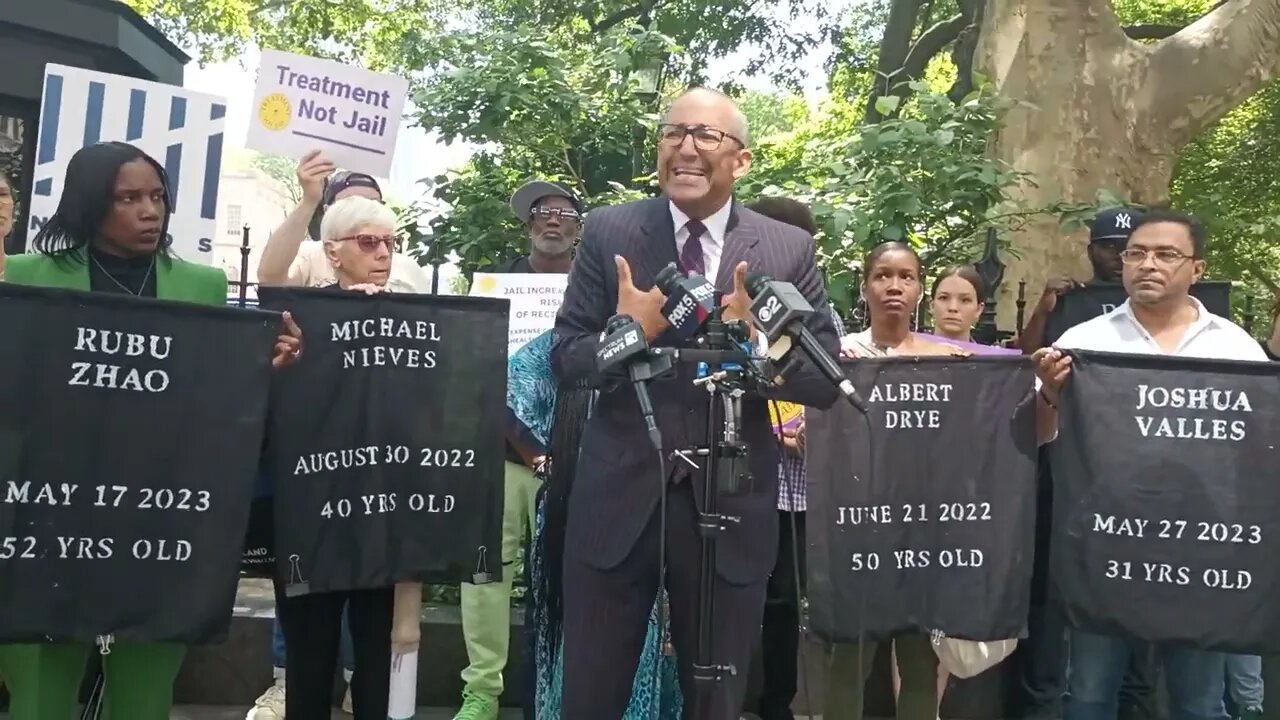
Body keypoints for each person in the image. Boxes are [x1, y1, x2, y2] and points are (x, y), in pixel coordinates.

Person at [551, 87, 841, 720]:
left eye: (705, 136)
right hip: (618, 497)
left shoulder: (786, 247)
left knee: (716, 700)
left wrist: (760, 344)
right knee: (590, 695)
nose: (685, 147)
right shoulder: (610, 231)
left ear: (741, 160)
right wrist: (629, 333)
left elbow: (822, 381)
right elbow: (565, 359)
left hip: (730, 502)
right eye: (673, 132)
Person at [0, 140, 302, 720]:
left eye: (157, 196)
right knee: (39, 693)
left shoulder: (202, 286)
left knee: (144, 693)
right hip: (48, 514)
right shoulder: (25, 278)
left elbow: (212, 399)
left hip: (158, 519)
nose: (150, 210)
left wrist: (259, 369)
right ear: (89, 204)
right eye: (128, 198)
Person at [1032, 208, 1258, 720]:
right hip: (1103, 545)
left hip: (1204, 550)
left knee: (1200, 699)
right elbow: (1040, 440)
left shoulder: (1235, 346)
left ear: (1197, 269)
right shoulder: (1082, 342)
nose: (1147, 264)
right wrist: (1050, 391)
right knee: (1088, 694)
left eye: (1165, 254)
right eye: (1137, 253)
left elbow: (1255, 450)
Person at [453, 179, 581, 720]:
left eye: (564, 213)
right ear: (529, 226)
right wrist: (529, 447)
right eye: (542, 213)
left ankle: (560, 692)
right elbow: (478, 372)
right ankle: (481, 693)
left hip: (575, 457)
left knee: (568, 580)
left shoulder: (594, 288)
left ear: (578, 229)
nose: (553, 220)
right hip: (502, 456)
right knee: (485, 577)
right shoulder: (493, 287)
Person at [824, 242, 969, 720]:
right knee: (850, 656)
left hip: (921, 527)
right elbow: (810, 433)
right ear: (865, 287)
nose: (894, 286)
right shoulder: (838, 358)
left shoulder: (943, 358)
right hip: (856, 523)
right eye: (882, 275)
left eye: (906, 277)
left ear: (920, 289)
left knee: (919, 660)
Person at [507, 329, 683, 719]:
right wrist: (539, 457)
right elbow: (508, 384)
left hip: (651, 510)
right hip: (577, 512)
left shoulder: (674, 341)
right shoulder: (569, 345)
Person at [271, 195, 399, 720]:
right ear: (333, 252)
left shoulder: (410, 317)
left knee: (374, 659)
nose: (383, 253)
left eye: (391, 242)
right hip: (311, 514)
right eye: (369, 241)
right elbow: (269, 278)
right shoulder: (301, 316)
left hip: (382, 514)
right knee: (310, 658)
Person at [1017, 206, 1147, 720]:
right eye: (1111, 246)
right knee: (1057, 595)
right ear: (1091, 247)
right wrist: (1046, 308)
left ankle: (1136, 702)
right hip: (1070, 476)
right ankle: (1043, 701)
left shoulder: (1198, 322)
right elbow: (1029, 366)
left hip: (1143, 486)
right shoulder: (1073, 311)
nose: (1119, 258)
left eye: (1129, 247)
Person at [743, 195, 846, 720]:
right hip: (735, 484)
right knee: (733, 596)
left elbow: (834, 391)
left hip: (796, 492)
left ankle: (776, 704)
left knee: (783, 603)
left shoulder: (820, 318)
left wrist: (803, 431)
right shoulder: (731, 309)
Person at [256, 150, 440, 293]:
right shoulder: (309, 256)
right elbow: (270, 280)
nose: (383, 253)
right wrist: (309, 199)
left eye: (373, 205)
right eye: (351, 206)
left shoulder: (409, 269)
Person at [930, 264, 985, 344]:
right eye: (944, 298)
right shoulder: (910, 354)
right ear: (932, 306)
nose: (953, 308)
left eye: (965, 300)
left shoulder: (989, 356)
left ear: (978, 309)